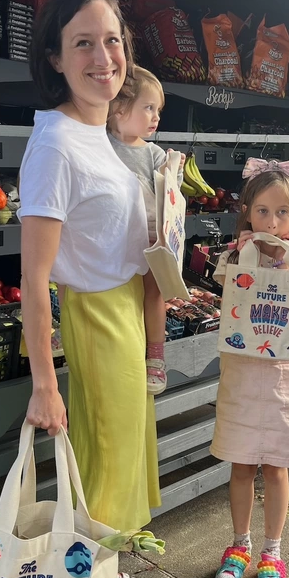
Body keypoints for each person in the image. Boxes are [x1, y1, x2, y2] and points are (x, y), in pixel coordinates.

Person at [18, 0, 164, 578]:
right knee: (101, 472)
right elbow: (35, 279)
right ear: (53, 57)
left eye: (112, 40)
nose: (103, 57)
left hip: (128, 315)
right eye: (83, 43)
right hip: (97, 319)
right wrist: (44, 384)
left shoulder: (101, 136)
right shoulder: (55, 146)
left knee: (122, 459)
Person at [210, 159, 289, 578]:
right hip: (240, 377)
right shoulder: (237, 254)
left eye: (281, 213)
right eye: (261, 211)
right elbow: (226, 288)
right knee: (240, 465)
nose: (271, 222)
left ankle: (273, 554)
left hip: (283, 380)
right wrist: (243, 256)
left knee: (276, 466)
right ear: (247, 213)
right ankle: (239, 545)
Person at [108, 66, 184, 395]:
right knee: (117, 296)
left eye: (159, 110)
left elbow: (171, 200)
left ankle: (155, 355)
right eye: (148, 107)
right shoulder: (100, 147)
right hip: (114, 242)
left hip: (151, 240)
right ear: (119, 107)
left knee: (153, 294)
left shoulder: (154, 153)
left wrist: (173, 174)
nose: (156, 117)